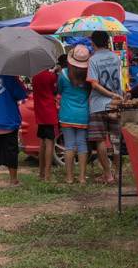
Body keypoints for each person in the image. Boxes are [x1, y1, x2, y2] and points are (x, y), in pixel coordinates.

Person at [86, 31, 123, 185]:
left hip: (98, 104)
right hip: (116, 104)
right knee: (116, 139)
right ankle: (118, 173)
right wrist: (115, 95)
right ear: (108, 42)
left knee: (100, 140)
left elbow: (94, 83)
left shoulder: (93, 60)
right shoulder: (116, 57)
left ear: (93, 43)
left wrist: (109, 94)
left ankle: (108, 175)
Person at [57, 46, 90, 184]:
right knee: (82, 145)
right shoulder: (88, 76)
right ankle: (82, 177)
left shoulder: (63, 74)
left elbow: (59, 90)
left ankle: (69, 177)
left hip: (66, 114)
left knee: (69, 145)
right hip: (83, 114)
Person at [31, 62, 60, 182]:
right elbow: (55, 90)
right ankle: (48, 174)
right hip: (49, 112)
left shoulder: (35, 76)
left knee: (42, 142)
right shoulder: (51, 76)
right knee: (49, 143)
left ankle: (41, 172)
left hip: (40, 112)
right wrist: (56, 73)